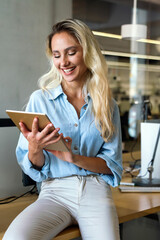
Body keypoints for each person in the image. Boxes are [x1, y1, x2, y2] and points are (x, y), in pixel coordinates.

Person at [3, 19, 123, 240]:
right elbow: (34, 167)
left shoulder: (107, 104)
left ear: (87, 52)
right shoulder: (40, 100)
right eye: (57, 55)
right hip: (54, 192)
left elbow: (111, 164)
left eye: (71, 52)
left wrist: (73, 158)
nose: (63, 62)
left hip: (95, 190)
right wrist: (34, 148)